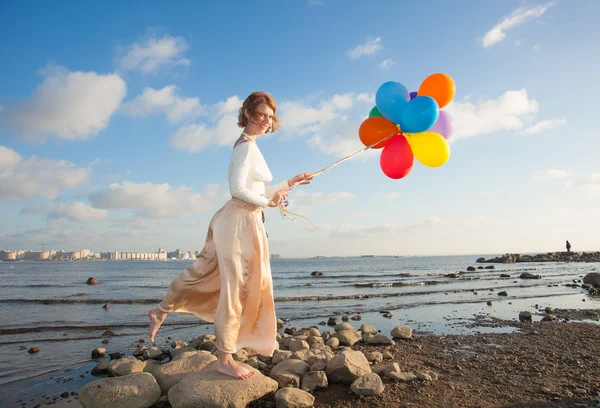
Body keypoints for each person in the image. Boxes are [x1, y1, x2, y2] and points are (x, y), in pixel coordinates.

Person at [147, 91, 312, 380]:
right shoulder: (245, 147)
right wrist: (269, 202)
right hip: (238, 220)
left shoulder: (252, 146)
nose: (266, 121)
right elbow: (238, 190)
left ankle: (162, 309)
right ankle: (225, 359)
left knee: (208, 272)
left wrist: (291, 183)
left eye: (270, 117)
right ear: (248, 112)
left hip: (244, 219)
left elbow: (257, 191)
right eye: (261, 114)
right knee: (235, 289)